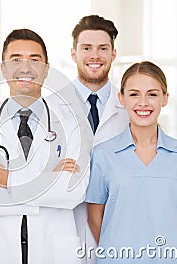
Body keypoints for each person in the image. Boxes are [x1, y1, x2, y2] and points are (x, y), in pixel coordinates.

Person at [0, 29, 93, 263]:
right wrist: (47, 181)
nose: (25, 67)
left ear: (46, 69)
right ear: (3, 68)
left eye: (34, 60)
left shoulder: (72, 124)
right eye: (16, 59)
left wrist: (10, 180)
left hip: (54, 250)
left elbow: (73, 192)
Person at [85, 61, 177, 263]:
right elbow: (94, 218)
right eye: (134, 94)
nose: (143, 102)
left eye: (152, 94)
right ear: (122, 98)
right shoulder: (102, 154)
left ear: (165, 98)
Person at [54, 15, 129, 263]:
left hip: (119, 223)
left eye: (102, 48)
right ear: (73, 54)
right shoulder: (50, 107)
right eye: (86, 48)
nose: (94, 56)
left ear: (113, 54)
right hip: (65, 227)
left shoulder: (132, 106)